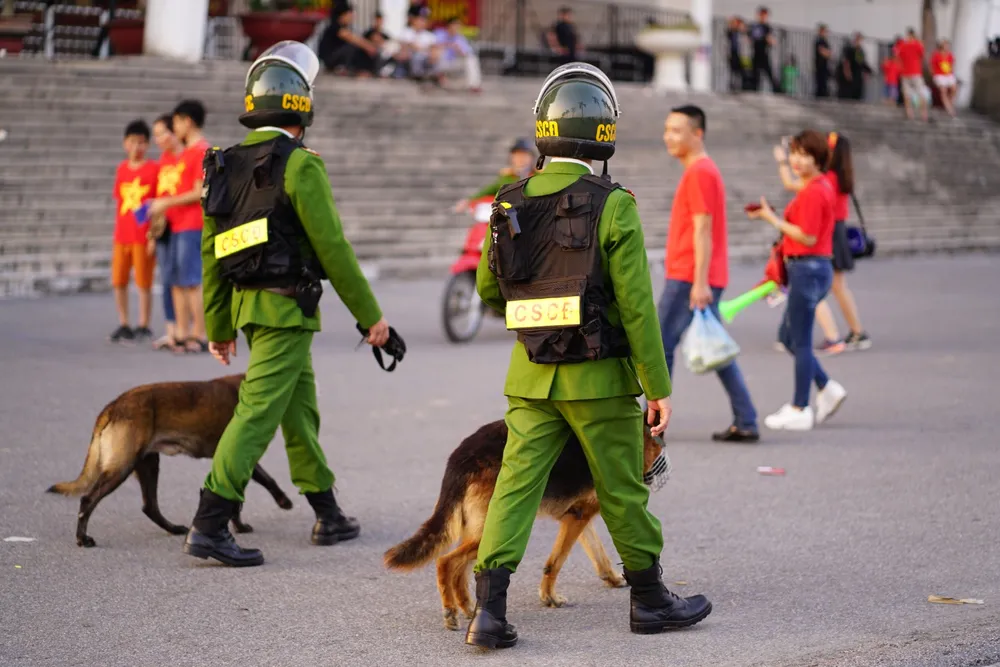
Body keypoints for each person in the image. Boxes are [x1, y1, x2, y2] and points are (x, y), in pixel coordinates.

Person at [466, 62, 712, 649]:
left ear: (544, 130)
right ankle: (650, 601)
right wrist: (657, 384)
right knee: (623, 489)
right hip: (600, 380)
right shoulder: (614, 204)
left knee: (515, 490)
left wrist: (536, 321)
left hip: (530, 379)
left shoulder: (508, 202)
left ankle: (490, 614)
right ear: (604, 134)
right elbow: (636, 306)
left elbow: (486, 290)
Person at [182, 41, 392, 567]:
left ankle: (327, 510)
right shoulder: (299, 166)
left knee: (298, 412)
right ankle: (210, 521)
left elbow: (211, 254)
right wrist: (371, 317)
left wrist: (219, 326)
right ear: (303, 110)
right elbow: (334, 250)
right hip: (287, 310)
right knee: (256, 414)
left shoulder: (223, 164)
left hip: (249, 310)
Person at [660, 105, 759, 443]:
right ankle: (746, 418)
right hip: (695, 274)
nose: (668, 137)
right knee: (714, 346)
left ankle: (651, 427)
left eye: (676, 130)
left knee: (660, 347)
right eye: (667, 129)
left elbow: (703, 229)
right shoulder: (701, 170)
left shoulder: (700, 172)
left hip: (690, 275)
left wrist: (699, 281)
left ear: (697, 133)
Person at [749, 130, 848, 431]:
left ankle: (799, 406)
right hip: (808, 269)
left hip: (808, 268)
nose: (796, 160)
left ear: (818, 159)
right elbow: (792, 186)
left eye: (803, 154)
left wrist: (774, 221)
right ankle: (827, 388)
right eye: (794, 153)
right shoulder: (814, 186)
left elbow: (808, 236)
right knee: (791, 337)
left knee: (800, 340)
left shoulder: (817, 191)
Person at [774, 133, 871, 351]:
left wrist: (782, 160)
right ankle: (855, 332)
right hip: (835, 230)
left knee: (813, 287)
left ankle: (834, 336)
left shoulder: (824, 180)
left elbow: (791, 183)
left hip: (825, 234)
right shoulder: (840, 177)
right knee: (834, 286)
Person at [147, 100, 210, 354]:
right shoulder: (184, 153)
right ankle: (182, 332)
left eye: (176, 123)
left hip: (191, 223)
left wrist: (166, 202)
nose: (174, 128)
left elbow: (199, 192)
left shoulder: (202, 151)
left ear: (188, 121)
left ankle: (200, 333)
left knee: (192, 281)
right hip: (175, 224)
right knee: (177, 281)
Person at [109, 119, 159, 344]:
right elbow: (119, 202)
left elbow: (158, 205)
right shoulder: (121, 169)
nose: (136, 147)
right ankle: (124, 322)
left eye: (141, 142)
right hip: (122, 235)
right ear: (124, 144)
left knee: (143, 282)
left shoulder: (153, 169)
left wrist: (153, 235)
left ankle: (143, 323)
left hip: (142, 235)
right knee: (118, 280)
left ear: (147, 145)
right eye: (132, 142)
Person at [148, 113, 185, 351]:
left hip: (183, 225)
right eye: (156, 135)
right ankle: (171, 329)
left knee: (184, 280)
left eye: (162, 133)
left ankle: (186, 330)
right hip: (164, 227)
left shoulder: (187, 158)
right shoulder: (164, 161)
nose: (159, 139)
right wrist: (150, 232)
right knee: (167, 278)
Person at [452, 138, 535, 213]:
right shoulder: (506, 177)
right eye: (517, 155)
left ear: (532, 158)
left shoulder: (539, 176)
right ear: (511, 157)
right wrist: (468, 201)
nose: (521, 159)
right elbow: (487, 191)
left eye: (524, 155)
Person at [433, 16, 483, 92]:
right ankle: (440, 77)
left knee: (471, 59)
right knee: (438, 51)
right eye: (455, 25)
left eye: (458, 25)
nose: (457, 27)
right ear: (449, 25)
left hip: (453, 64)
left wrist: (459, 50)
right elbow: (432, 47)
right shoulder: (439, 33)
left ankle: (474, 85)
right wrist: (449, 45)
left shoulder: (460, 38)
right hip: (438, 63)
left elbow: (468, 53)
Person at [897, 28, 929, 122]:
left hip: (907, 72)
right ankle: (923, 114)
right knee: (920, 93)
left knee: (907, 94)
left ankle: (910, 113)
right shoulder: (918, 45)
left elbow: (899, 57)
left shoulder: (903, 45)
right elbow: (922, 55)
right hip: (915, 72)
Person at [748, 6, 780, 92]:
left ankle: (777, 91)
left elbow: (772, 40)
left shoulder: (767, 27)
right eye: (762, 15)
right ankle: (754, 91)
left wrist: (770, 40)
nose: (764, 17)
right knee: (755, 75)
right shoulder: (754, 26)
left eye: (765, 15)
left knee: (769, 74)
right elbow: (749, 37)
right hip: (756, 53)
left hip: (764, 54)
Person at [931, 39, 957, 117]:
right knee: (943, 90)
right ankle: (949, 109)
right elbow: (932, 66)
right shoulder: (936, 55)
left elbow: (952, 65)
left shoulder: (950, 55)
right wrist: (934, 74)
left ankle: (948, 103)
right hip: (939, 75)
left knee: (954, 89)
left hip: (948, 74)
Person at [813, 24, 832, 98]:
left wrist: (827, 53)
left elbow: (829, 53)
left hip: (825, 66)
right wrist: (827, 53)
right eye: (824, 31)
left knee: (824, 84)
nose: (826, 33)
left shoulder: (825, 41)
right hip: (819, 66)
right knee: (820, 84)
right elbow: (822, 51)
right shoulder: (819, 40)